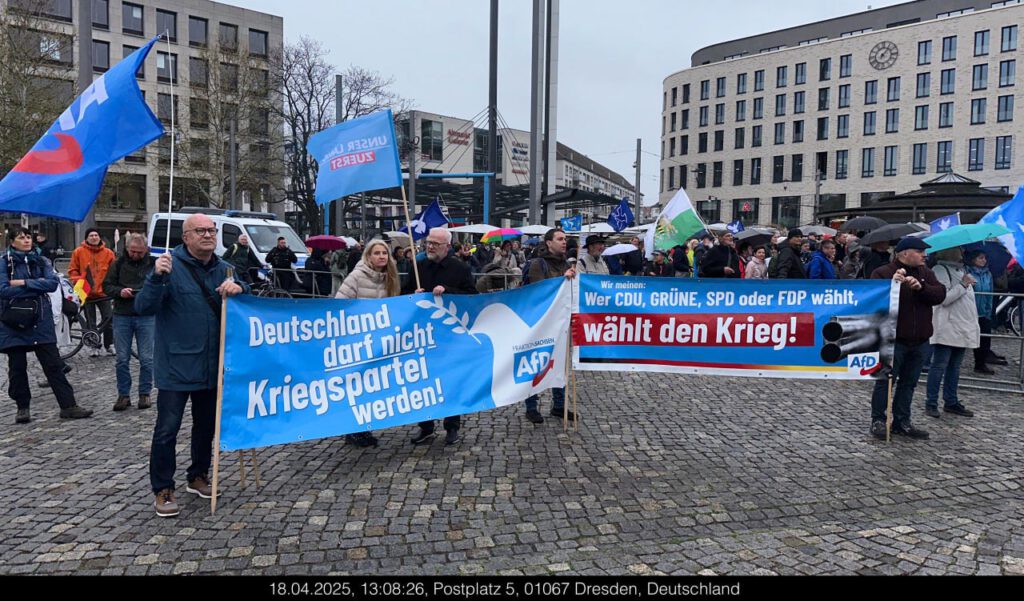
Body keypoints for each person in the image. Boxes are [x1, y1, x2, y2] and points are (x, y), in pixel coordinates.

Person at [135, 214, 247, 518]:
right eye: (200, 231)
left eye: (211, 230)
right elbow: (143, 307)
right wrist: (156, 278)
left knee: (205, 427)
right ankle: (163, 488)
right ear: (186, 237)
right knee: (167, 430)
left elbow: (247, 297)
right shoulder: (168, 266)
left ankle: (198, 475)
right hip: (176, 365)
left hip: (212, 365)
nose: (208, 235)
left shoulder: (226, 268)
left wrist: (240, 288)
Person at [1, 227, 93, 424]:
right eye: (21, 237)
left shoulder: (42, 261)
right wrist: (36, 285)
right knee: (17, 368)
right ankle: (22, 407)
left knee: (53, 365)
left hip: (40, 320)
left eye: (28, 237)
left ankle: (68, 406)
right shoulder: (4, 262)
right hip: (13, 321)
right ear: (12, 241)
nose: (26, 240)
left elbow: (51, 284)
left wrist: (23, 283)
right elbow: (4, 290)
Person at [402, 228, 477, 446]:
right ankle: (426, 426)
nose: (430, 246)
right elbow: (402, 296)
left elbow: (472, 296)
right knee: (424, 381)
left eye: (435, 243)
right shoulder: (418, 267)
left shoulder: (460, 268)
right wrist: (412, 295)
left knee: (451, 381)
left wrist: (448, 290)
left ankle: (452, 426)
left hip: (449, 336)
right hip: (422, 335)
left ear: (447, 247)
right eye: (428, 242)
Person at [868, 237, 945, 441]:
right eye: (919, 251)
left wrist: (921, 287)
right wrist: (892, 286)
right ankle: (878, 420)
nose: (924, 255)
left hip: (920, 340)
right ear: (904, 253)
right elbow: (873, 300)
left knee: (909, 383)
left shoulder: (926, 273)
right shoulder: (883, 272)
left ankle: (902, 421)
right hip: (893, 340)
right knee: (885, 382)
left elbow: (939, 295)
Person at [336, 240, 401, 447]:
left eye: (385, 253)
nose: (381, 256)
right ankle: (352, 429)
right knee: (356, 386)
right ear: (368, 256)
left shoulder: (390, 278)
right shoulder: (356, 276)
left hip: (378, 342)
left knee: (371, 386)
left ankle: (365, 427)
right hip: (356, 341)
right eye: (377, 253)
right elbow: (339, 304)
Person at [521, 228, 577, 424]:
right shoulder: (538, 264)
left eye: (565, 239)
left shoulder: (566, 263)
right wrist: (563, 279)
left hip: (561, 323)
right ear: (549, 243)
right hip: (540, 323)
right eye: (560, 239)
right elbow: (539, 291)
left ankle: (559, 405)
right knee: (536, 364)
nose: (564, 242)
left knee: (560, 363)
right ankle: (531, 406)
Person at [102, 234, 156, 412]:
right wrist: (120, 292)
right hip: (122, 314)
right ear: (127, 248)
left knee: (146, 359)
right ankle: (123, 394)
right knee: (122, 359)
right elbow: (107, 286)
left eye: (139, 252)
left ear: (146, 250)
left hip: (146, 315)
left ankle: (145, 393)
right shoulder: (118, 264)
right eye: (132, 251)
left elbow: (161, 285)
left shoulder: (153, 264)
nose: (135, 255)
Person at [925, 247, 978, 419]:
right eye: (958, 249)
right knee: (939, 365)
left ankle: (951, 401)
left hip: (963, 326)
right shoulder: (940, 270)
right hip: (948, 326)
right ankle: (931, 402)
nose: (962, 251)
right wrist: (963, 284)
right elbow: (944, 298)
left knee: (955, 367)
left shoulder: (961, 270)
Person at [68, 227, 116, 356]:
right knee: (91, 322)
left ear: (100, 237)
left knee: (108, 319)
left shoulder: (108, 253)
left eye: (96, 235)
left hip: (103, 292)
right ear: (86, 238)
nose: (94, 237)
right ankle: (94, 345)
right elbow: (73, 270)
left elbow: (114, 271)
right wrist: (79, 280)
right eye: (91, 235)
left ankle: (109, 344)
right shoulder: (78, 252)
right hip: (86, 292)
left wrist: (112, 285)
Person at [965, 250, 996, 375]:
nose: (984, 260)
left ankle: (980, 364)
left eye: (985, 258)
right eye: (980, 258)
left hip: (983, 312)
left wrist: (989, 311)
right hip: (970, 311)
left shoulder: (988, 274)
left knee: (984, 339)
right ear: (973, 259)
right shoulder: (967, 272)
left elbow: (990, 293)